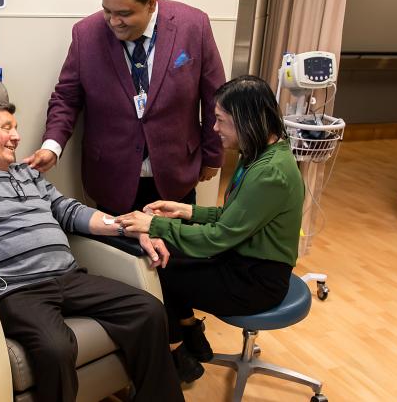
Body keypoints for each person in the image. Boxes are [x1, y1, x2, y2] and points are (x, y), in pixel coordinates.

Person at [0, 99, 183, 402]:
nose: (17, 136)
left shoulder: (28, 173)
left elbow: (70, 211)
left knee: (150, 310)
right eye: (7, 127)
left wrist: (128, 227)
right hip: (17, 289)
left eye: (17, 128)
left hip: (70, 276)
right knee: (56, 348)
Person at [116, 75, 305, 382]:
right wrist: (186, 210)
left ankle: (177, 357)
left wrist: (155, 224)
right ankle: (190, 336)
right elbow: (235, 217)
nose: (215, 129)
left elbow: (217, 239)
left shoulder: (270, 173)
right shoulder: (259, 155)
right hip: (242, 259)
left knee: (159, 268)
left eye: (220, 120)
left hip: (257, 281)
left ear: (246, 120)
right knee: (164, 256)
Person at [24, 0, 225, 214]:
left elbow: (214, 96)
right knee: (117, 254)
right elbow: (66, 98)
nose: (113, 21)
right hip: (111, 179)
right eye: (107, 10)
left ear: (151, 3)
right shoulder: (85, 34)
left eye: (125, 14)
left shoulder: (194, 25)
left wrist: (212, 155)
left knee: (174, 252)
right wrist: (52, 147)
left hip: (176, 175)